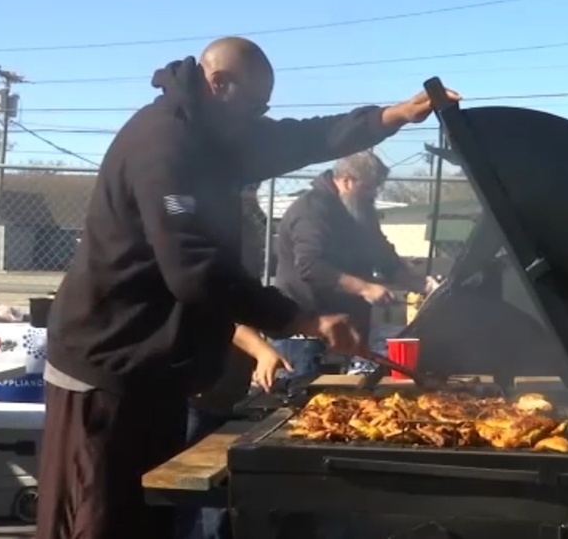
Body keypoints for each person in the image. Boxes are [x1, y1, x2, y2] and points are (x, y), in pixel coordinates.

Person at [36, 35, 460, 539]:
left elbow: (302, 138)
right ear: (219, 84)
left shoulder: (217, 136)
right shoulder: (163, 144)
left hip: (156, 371)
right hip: (107, 366)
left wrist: (389, 117)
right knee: (103, 521)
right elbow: (193, 268)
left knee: (150, 523)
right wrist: (303, 318)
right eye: (257, 106)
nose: (260, 118)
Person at [273, 151, 438, 377]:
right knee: (303, 395)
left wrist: (419, 284)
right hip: (306, 334)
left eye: (377, 187)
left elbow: (382, 255)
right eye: (369, 187)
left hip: (347, 331)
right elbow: (311, 266)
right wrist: (365, 288)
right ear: (346, 181)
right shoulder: (311, 210)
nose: (374, 194)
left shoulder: (360, 210)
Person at [175, 183, 277, 539]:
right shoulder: (205, 223)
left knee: (216, 494)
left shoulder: (248, 222)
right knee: (185, 490)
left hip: (225, 383)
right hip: (198, 384)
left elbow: (244, 297)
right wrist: (261, 349)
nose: (254, 191)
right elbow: (214, 304)